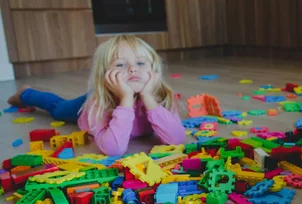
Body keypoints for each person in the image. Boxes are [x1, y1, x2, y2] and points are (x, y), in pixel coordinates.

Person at [7, 35, 186, 156]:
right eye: (120, 65)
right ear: (104, 75)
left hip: (141, 97)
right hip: (97, 100)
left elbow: (176, 139)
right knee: (59, 109)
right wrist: (125, 99)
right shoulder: (97, 103)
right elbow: (113, 149)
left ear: (154, 70)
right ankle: (27, 94)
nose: (133, 68)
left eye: (140, 62)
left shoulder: (162, 96)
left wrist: (148, 97)